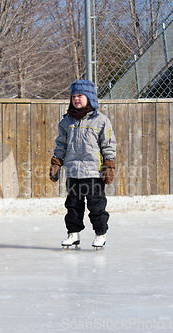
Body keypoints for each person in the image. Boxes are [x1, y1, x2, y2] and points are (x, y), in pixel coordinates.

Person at [50, 79, 117, 249]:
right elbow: (61, 144)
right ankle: (73, 234)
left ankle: (100, 234)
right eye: (74, 96)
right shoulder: (66, 121)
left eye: (80, 95)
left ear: (90, 98)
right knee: (73, 205)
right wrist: (56, 163)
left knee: (96, 206)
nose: (76, 99)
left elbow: (108, 144)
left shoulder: (101, 120)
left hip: (93, 173)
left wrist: (109, 166)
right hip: (73, 172)